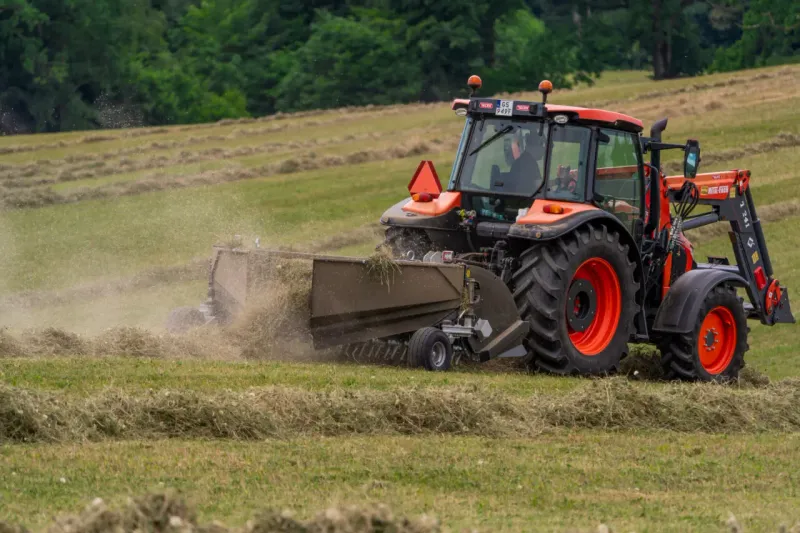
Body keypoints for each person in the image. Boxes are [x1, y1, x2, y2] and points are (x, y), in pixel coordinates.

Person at [508, 128, 544, 193]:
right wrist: (557, 181)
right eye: (542, 146)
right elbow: (540, 186)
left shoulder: (522, 160)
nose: (543, 151)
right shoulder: (530, 163)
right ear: (536, 146)